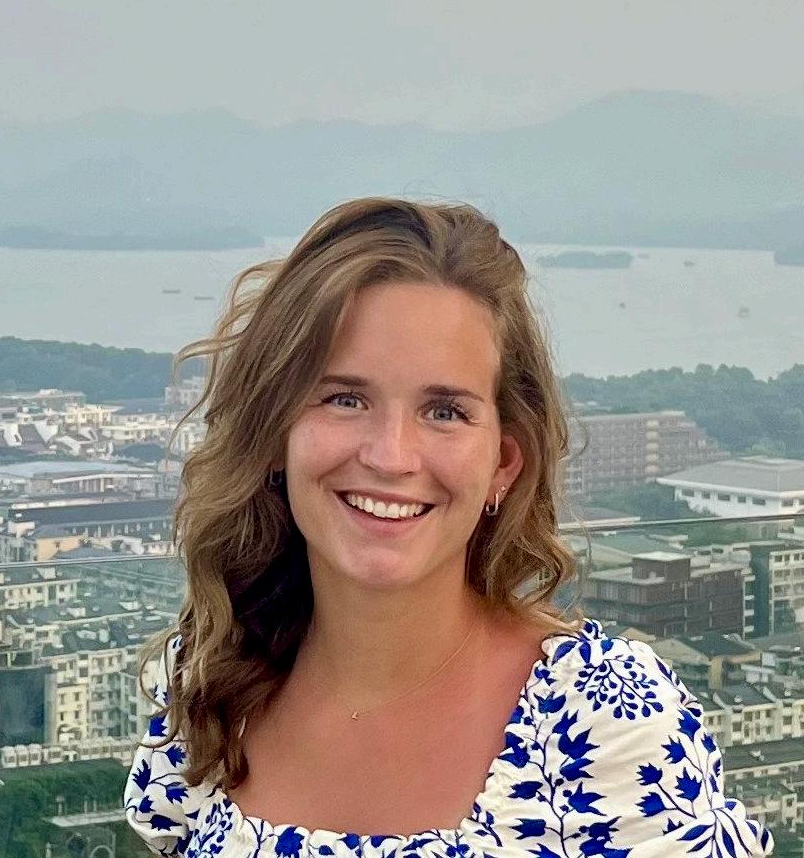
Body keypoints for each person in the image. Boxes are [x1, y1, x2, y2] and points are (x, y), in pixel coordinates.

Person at [125, 199, 774, 857]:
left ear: (503, 463)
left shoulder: (603, 724)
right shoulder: (210, 686)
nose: (391, 456)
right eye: (345, 399)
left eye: (444, 412)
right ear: (274, 434)